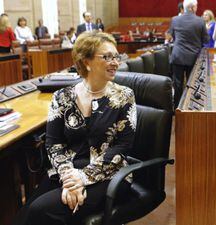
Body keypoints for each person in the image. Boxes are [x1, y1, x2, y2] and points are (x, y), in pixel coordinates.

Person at [12, 31, 136, 225]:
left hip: (109, 174)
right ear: (86, 62)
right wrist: (69, 176)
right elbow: (54, 144)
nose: (115, 62)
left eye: (116, 56)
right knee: (24, 214)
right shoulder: (62, 97)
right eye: (107, 57)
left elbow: (123, 147)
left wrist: (83, 177)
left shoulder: (124, 96)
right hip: (67, 171)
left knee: (40, 211)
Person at [169, 0, 209, 108]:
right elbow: (206, 40)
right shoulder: (200, 21)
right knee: (192, 85)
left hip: (178, 56)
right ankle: (189, 108)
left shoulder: (175, 19)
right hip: (193, 58)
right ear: (193, 8)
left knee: (177, 84)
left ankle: (177, 109)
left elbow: (172, 36)